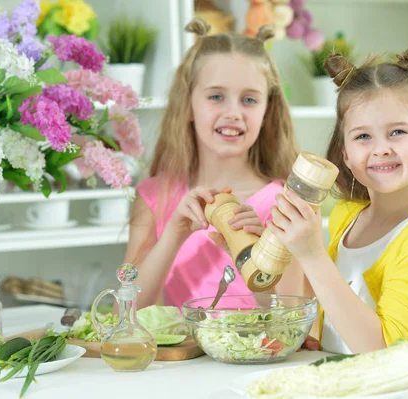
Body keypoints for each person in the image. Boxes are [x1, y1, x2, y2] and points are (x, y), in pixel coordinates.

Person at [267, 42, 408, 375]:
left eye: (397, 132)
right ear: (345, 155)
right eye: (363, 136)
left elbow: (381, 350)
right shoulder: (346, 215)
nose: (381, 149)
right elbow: (326, 301)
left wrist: (312, 255)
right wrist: (284, 249)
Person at [124, 17, 303, 309]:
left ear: (267, 110)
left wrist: (255, 259)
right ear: (189, 105)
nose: (233, 112)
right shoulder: (154, 196)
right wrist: (173, 234)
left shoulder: (286, 204)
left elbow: (294, 316)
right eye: (216, 96)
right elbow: (125, 311)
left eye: (249, 100)